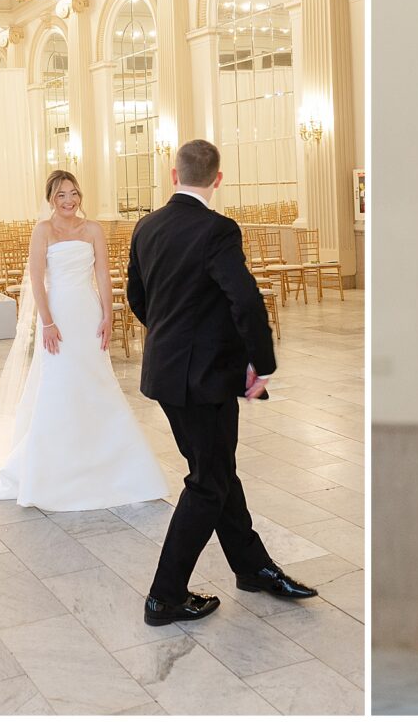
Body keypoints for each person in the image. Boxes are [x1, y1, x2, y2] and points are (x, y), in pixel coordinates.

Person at [128, 139, 316, 627]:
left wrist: (173, 341)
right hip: (204, 380)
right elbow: (246, 300)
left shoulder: (146, 226)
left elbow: (138, 298)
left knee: (217, 472)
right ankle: (164, 597)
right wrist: (262, 361)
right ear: (218, 179)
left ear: (174, 175)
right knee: (208, 484)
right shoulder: (217, 229)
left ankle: (252, 567)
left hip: (167, 373)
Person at [0, 171, 169, 511]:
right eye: (62, 195)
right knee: (59, 382)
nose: (69, 200)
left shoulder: (93, 229)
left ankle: (108, 460)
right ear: (51, 198)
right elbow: (37, 279)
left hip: (88, 314)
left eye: (74, 193)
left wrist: (107, 315)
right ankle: (56, 463)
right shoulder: (43, 230)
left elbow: (103, 274)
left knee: (96, 381)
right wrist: (47, 321)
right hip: (59, 315)